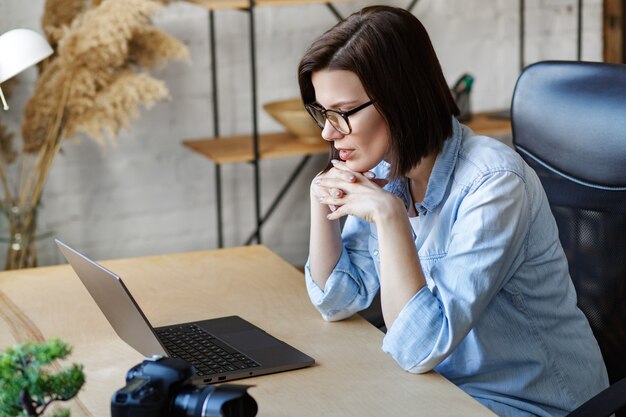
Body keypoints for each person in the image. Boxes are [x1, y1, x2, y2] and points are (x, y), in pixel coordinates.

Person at [297, 5, 608, 417]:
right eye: (322, 112)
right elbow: (337, 299)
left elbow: (418, 348)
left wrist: (391, 218)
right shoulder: (386, 172)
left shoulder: (494, 185)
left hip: (532, 404)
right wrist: (323, 200)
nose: (327, 132)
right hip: (443, 394)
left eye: (342, 113)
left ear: (400, 99)